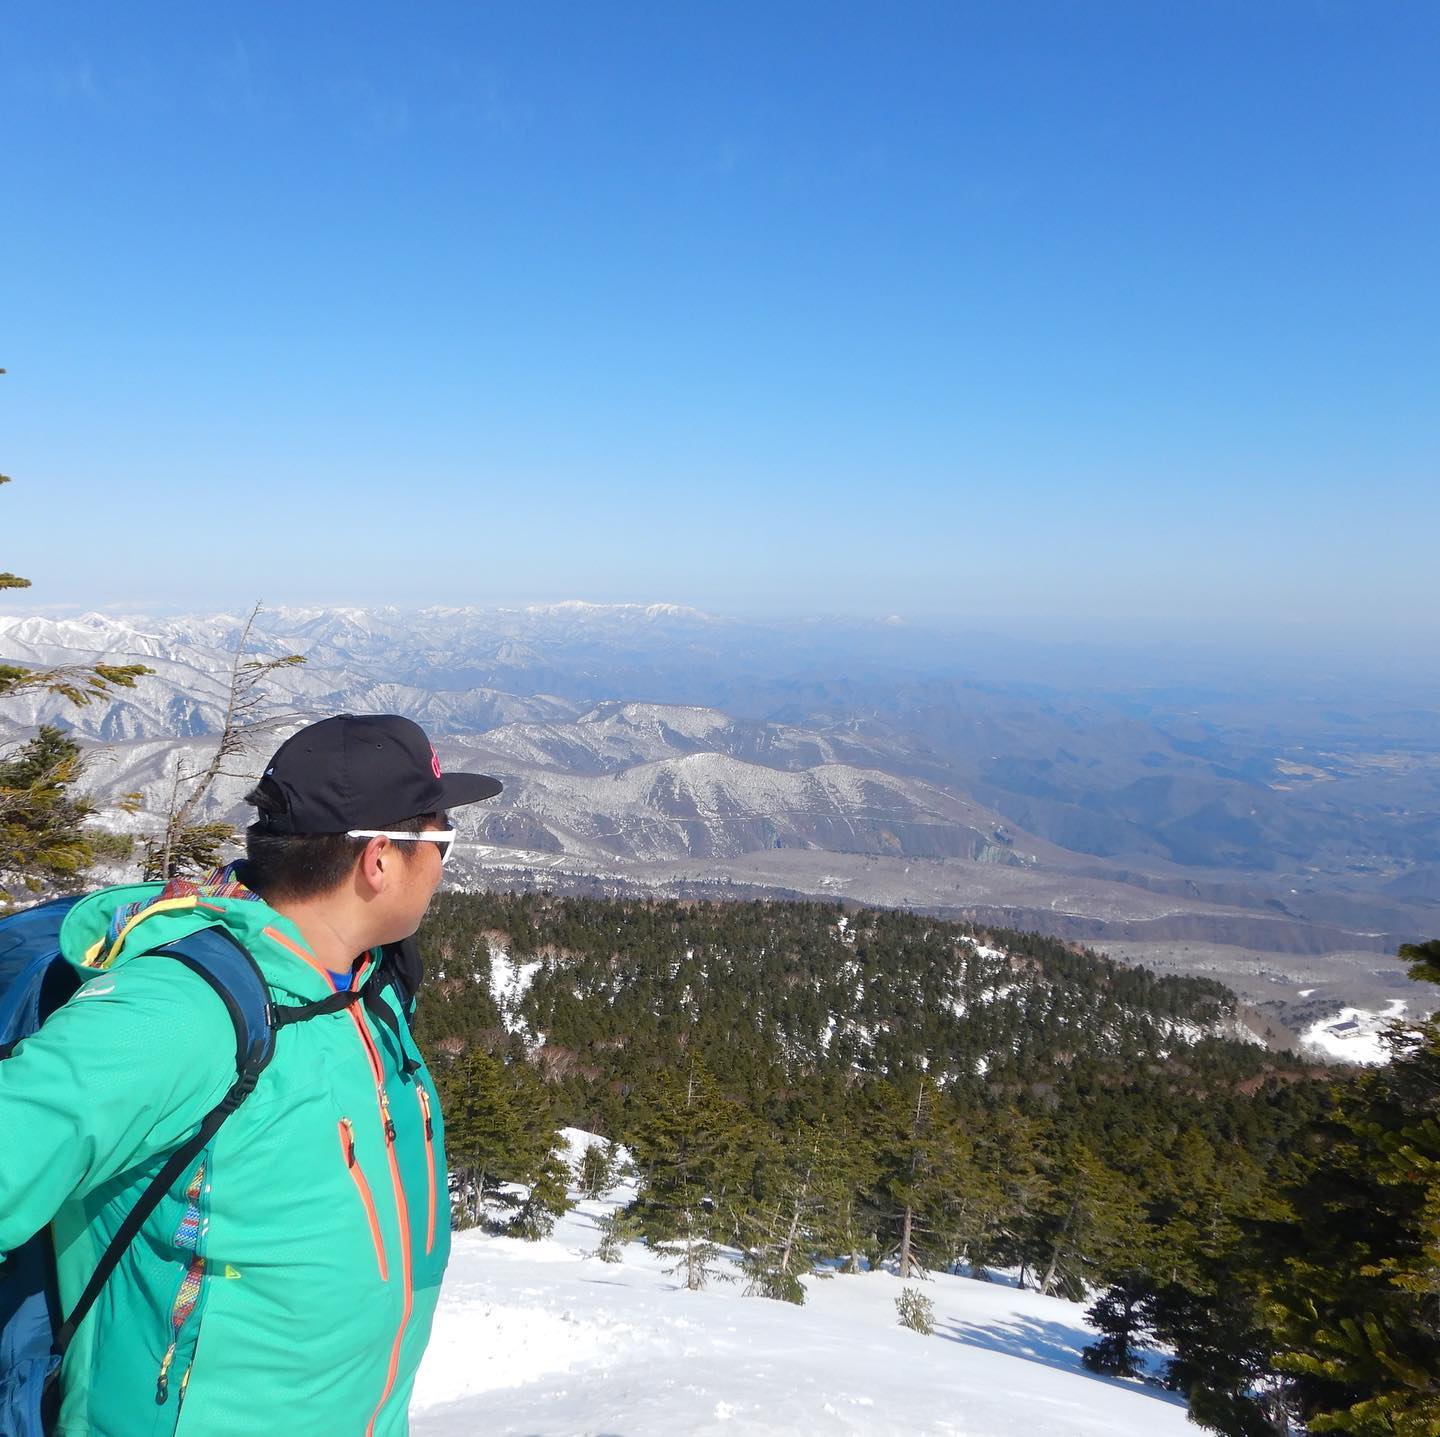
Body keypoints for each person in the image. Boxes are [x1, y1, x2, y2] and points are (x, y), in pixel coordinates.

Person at [0, 713, 500, 1437]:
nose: (446, 861)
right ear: (379, 860)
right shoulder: (186, 1014)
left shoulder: (367, 984)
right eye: (441, 837)